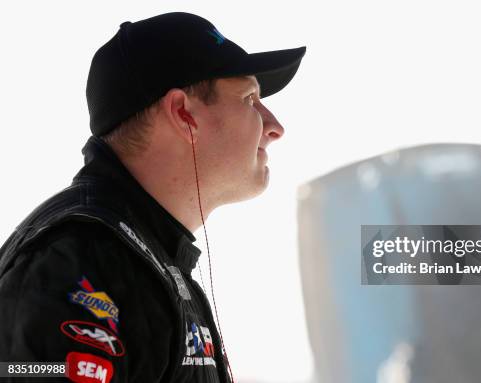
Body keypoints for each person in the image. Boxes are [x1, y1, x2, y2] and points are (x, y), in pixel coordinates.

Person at [0, 12, 305, 383]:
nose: (275, 126)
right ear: (182, 114)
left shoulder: (146, 257)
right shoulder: (81, 255)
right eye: (250, 98)